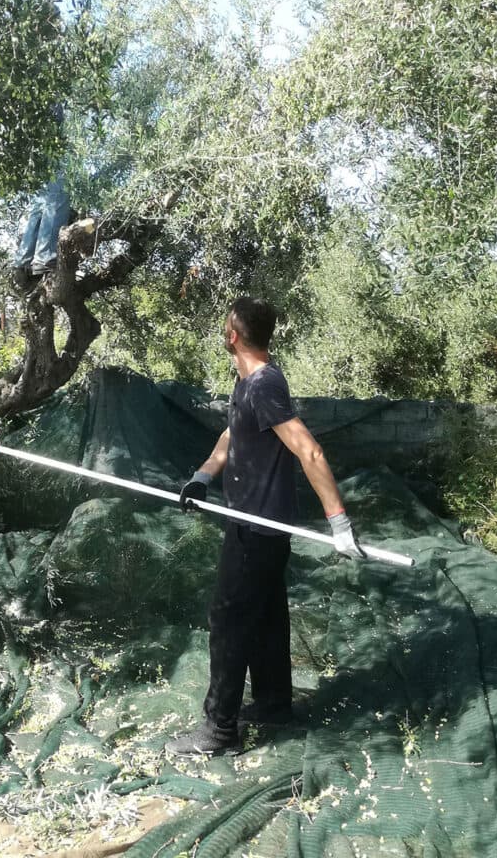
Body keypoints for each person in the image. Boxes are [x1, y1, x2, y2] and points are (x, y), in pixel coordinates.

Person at [166, 297, 364, 757]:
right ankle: (274, 704)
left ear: (233, 335)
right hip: (254, 523)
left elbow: (310, 452)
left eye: (224, 325)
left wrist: (339, 524)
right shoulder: (250, 383)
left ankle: (219, 730)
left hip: (258, 529)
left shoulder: (262, 387)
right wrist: (201, 478)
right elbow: (232, 435)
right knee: (267, 615)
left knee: (229, 620)